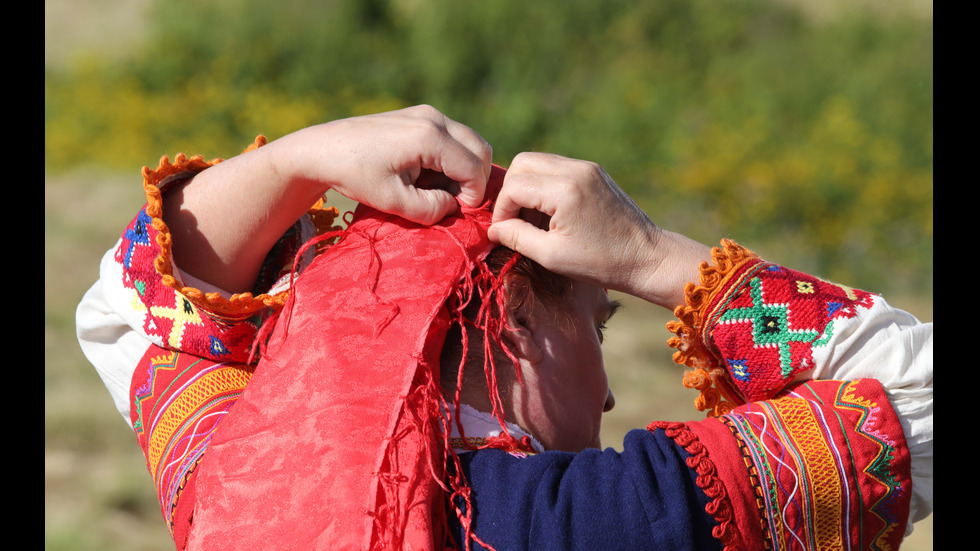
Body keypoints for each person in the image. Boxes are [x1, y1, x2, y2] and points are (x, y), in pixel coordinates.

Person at [76, 105, 932, 550]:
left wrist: (289, 160)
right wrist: (650, 258)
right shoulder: (620, 518)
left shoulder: (235, 485)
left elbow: (128, 305)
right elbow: (916, 397)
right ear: (509, 326)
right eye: (597, 325)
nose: (604, 390)